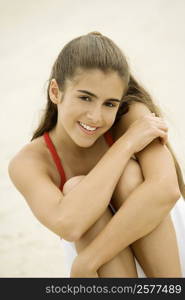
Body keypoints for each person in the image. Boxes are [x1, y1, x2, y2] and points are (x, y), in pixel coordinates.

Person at [8, 31, 185, 278]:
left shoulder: (130, 114)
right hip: (106, 269)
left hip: (166, 246)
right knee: (77, 188)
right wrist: (126, 146)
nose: (96, 116)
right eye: (85, 98)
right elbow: (69, 224)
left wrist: (89, 262)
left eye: (110, 103)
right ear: (55, 92)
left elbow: (167, 190)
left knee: (128, 174)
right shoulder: (29, 162)